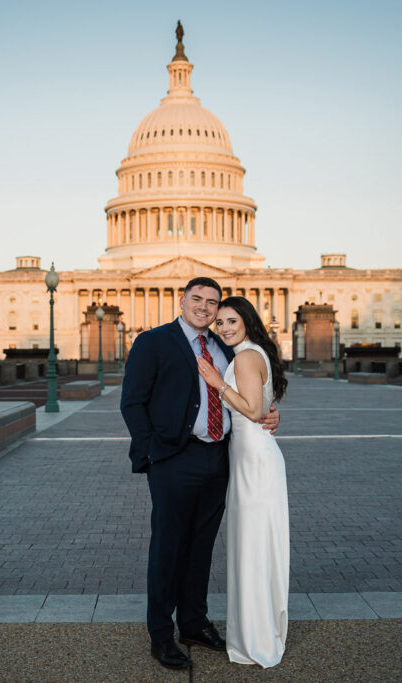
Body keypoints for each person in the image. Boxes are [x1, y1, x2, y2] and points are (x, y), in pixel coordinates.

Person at [121, 277, 280, 670]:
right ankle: (161, 633)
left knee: (201, 548)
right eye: (198, 299)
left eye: (212, 302)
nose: (205, 307)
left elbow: (249, 395)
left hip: (220, 457)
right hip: (175, 459)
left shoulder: (225, 345)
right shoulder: (152, 341)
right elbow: (132, 403)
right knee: (168, 548)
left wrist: (267, 412)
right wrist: (154, 452)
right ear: (182, 300)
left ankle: (193, 622)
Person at [196, 296, 290, 668]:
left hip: (254, 463)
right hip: (252, 458)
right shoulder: (252, 354)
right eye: (220, 323)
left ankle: (257, 640)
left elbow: (252, 411)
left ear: (248, 321)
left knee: (252, 549)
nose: (224, 328)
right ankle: (258, 632)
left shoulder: (246, 357)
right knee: (254, 549)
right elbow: (261, 407)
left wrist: (218, 383)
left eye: (232, 321)